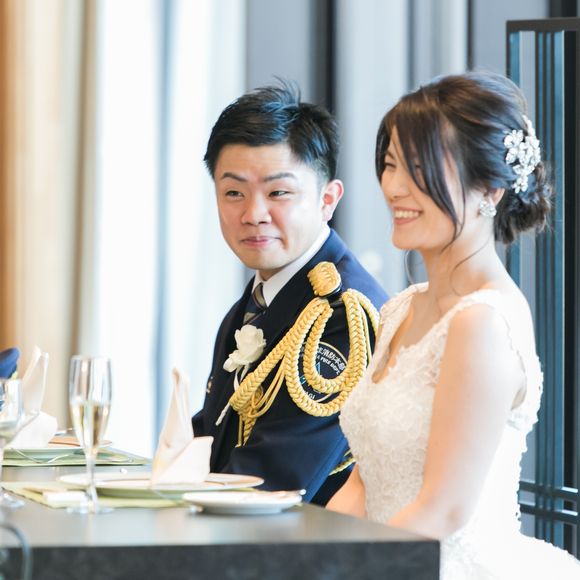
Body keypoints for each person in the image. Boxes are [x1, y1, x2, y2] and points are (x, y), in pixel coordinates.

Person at [327, 71, 580, 578]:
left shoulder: (482, 322)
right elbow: (362, 484)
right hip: (388, 556)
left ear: (489, 188)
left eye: (419, 168)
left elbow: (443, 509)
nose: (394, 187)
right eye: (391, 164)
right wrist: (307, 557)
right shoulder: (400, 310)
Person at [191, 82, 387, 506]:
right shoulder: (259, 297)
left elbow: (272, 481)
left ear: (327, 199)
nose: (253, 214)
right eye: (233, 193)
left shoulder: (342, 315)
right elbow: (212, 435)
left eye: (278, 192)